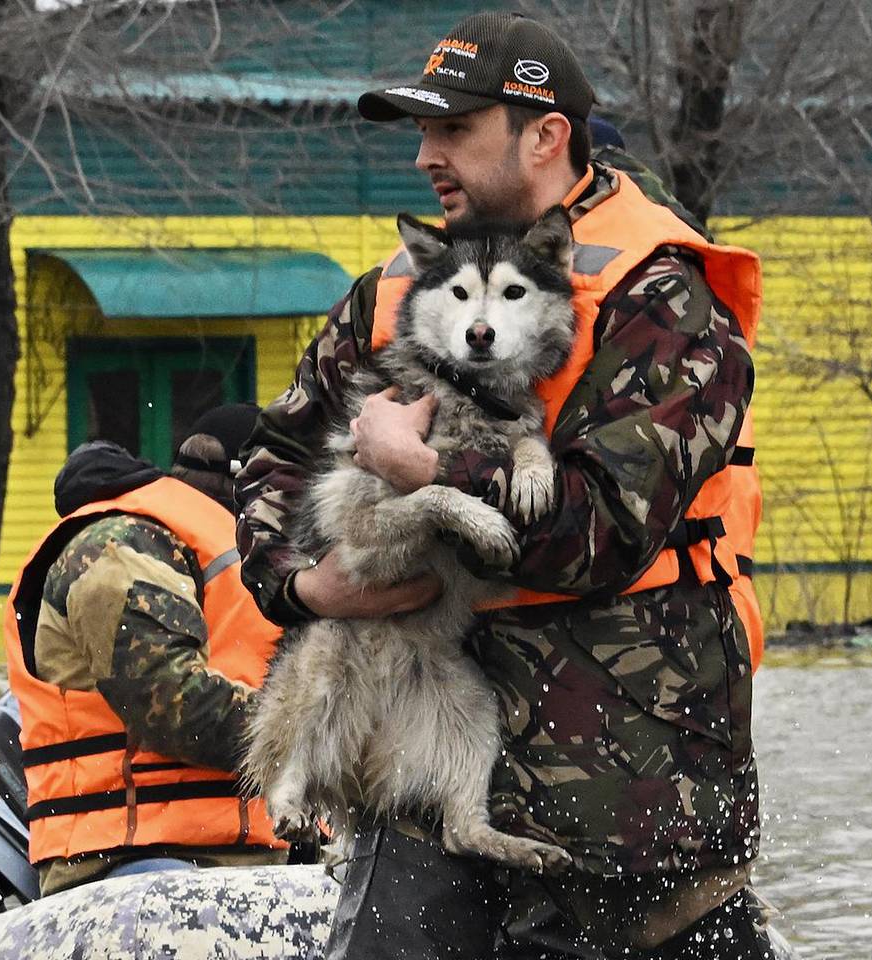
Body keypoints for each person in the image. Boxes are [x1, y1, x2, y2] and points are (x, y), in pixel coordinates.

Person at [236, 10, 771, 959]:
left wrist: (433, 469)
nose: (423, 158)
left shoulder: (667, 302)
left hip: (633, 805)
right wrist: (300, 583)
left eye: (452, 130)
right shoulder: (395, 293)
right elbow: (269, 455)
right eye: (421, 133)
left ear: (546, 135)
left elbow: (605, 528)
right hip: (417, 779)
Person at [3, 404, 287, 897]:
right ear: (247, 481)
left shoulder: (242, 559)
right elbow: (169, 703)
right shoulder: (119, 545)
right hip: (132, 863)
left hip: (236, 858)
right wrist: (322, 732)